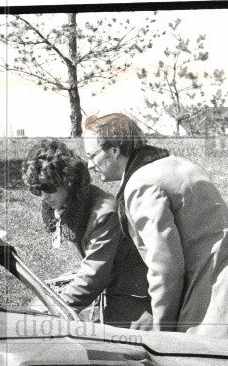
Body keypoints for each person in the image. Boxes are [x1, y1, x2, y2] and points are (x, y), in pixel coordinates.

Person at [82, 113, 228, 352]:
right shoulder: (178, 164)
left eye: (91, 155)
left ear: (114, 150)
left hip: (218, 296)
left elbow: (165, 267)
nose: (89, 164)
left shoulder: (141, 185)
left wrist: (160, 333)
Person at [22, 139, 151, 328]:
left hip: (134, 305)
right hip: (109, 295)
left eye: (48, 187)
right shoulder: (74, 205)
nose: (44, 196)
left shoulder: (103, 213)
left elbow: (94, 276)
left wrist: (51, 309)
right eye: (37, 189)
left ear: (69, 181)